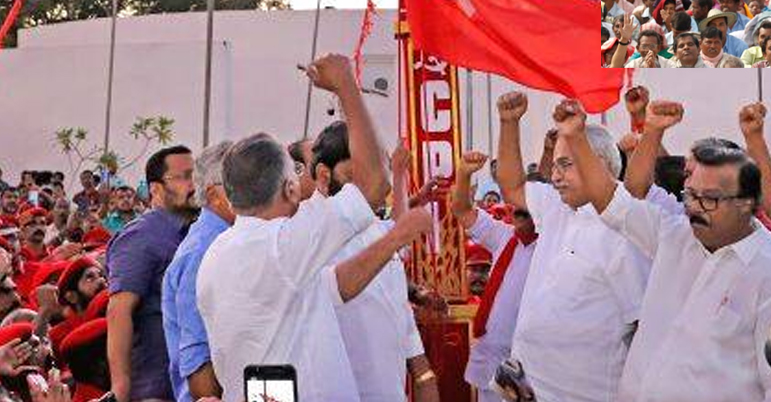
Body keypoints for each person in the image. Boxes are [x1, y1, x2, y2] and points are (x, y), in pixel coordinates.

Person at [196, 54, 432, 402]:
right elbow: (373, 185)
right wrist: (346, 85)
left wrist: (394, 237)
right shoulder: (283, 246)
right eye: (295, 174)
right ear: (289, 189)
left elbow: (335, 286)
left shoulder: (216, 255)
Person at [578, 98, 771, 402]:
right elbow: (612, 201)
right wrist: (575, 136)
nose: (695, 209)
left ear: (746, 203)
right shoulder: (674, 235)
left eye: (709, 199)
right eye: (690, 195)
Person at [495, 91, 649, 402]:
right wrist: (509, 123)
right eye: (555, 165)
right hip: (526, 387)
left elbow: (644, 328)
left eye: (566, 165)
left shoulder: (628, 229)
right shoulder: (557, 206)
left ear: (601, 166)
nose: (555, 175)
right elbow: (511, 186)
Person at [309, 121, 438, 402]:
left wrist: (423, 376)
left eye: (377, 175)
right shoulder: (307, 238)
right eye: (357, 177)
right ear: (323, 175)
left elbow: (413, 351)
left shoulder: (378, 232)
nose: (372, 188)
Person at [107, 145, 195, 402]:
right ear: (155, 189)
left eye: (196, 176)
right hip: (155, 387)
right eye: (184, 176)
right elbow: (119, 311)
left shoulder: (195, 232)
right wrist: (120, 388)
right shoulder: (140, 236)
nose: (193, 185)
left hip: (188, 382)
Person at [450, 150, 536, 402]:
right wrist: (464, 174)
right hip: (489, 361)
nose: (518, 215)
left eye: (526, 211)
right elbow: (463, 212)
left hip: (528, 366)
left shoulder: (554, 245)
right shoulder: (504, 235)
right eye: (516, 210)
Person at [161, 142, 234, 402]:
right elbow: (197, 358)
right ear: (214, 194)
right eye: (241, 181)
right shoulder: (203, 251)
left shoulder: (225, 238)